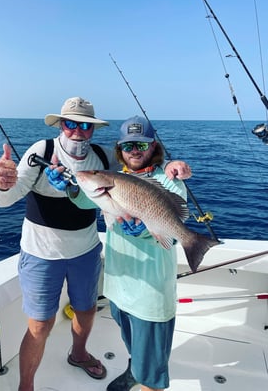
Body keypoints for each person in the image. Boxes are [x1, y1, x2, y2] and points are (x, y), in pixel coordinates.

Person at [0, 97, 117, 391]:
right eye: (71, 124)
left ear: (93, 130)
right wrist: (1, 182)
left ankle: (79, 354)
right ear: (61, 125)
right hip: (41, 254)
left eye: (85, 125)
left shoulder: (103, 156)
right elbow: (5, 199)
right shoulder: (41, 151)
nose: (78, 131)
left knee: (86, 309)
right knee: (40, 324)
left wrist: (169, 164)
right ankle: (26, 385)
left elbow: (138, 167)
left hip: (85, 251)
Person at [55, 115, 190, 391]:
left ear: (154, 146)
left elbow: (172, 235)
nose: (135, 151)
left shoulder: (170, 181)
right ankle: (134, 371)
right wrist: (71, 186)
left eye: (142, 144)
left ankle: (144, 378)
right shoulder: (118, 177)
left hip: (150, 296)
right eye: (128, 146)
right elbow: (89, 197)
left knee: (152, 375)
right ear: (120, 149)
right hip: (118, 288)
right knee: (132, 347)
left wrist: (141, 231)